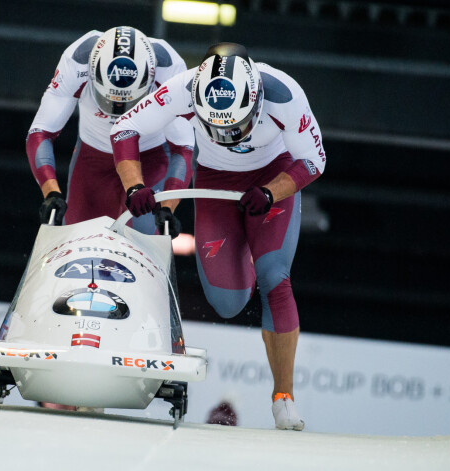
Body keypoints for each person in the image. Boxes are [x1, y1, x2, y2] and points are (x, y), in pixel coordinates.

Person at [110, 42, 327, 431]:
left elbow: (313, 160)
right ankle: (245, 249)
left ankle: (284, 398)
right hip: (214, 181)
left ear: (256, 102)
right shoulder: (183, 87)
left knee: (274, 277)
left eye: (236, 125)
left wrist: (271, 192)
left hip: (272, 175)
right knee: (227, 303)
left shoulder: (285, 95)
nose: (227, 134)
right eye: (216, 126)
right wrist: (133, 186)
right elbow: (124, 127)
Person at [26, 26, 194, 236]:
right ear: (93, 74)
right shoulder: (77, 61)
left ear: (149, 81)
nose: (120, 115)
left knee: (144, 238)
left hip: (150, 159)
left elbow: (184, 147)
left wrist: (168, 206)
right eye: (110, 101)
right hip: (93, 158)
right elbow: (41, 131)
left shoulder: (169, 70)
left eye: (129, 103)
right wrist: (51, 192)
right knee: (78, 240)